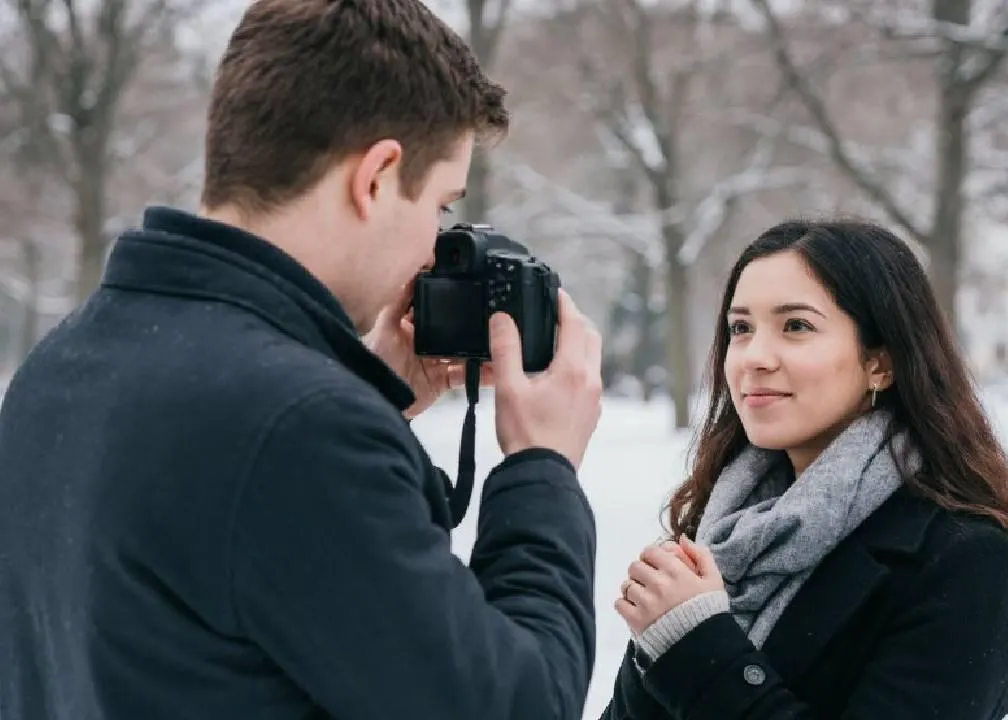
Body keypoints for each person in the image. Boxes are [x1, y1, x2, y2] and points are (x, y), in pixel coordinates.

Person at [0, 1, 603, 719]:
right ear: (376, 176)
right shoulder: (298, 430)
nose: (431, 249)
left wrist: (361, 395)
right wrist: (541, 467)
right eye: (440, 209)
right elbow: (519, 707)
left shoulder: (59, 368)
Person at [599, 218, 1008, 719]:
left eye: (796, 326)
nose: (754, 357)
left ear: (880, 362)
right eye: (741, 328)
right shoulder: (725, 526)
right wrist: (659, 642)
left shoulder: (962, 558)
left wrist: (698, 645)